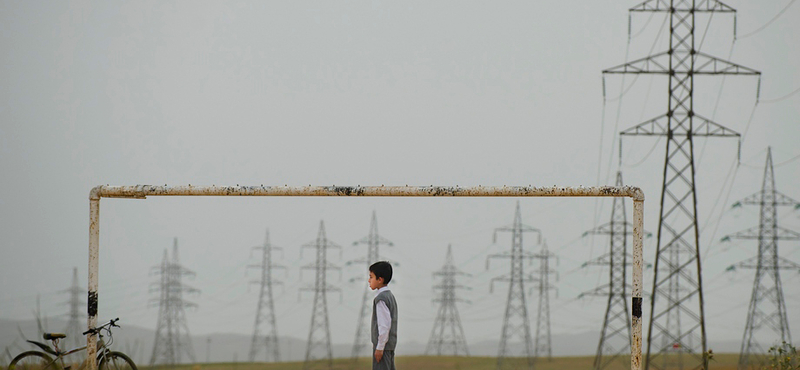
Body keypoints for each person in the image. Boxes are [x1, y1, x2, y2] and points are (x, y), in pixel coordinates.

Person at [369, 261, 398, 370]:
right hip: (389, 346)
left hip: (383, 347)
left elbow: (384, 325)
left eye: (371, 277)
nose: (369, 280)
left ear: (380, 279)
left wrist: (380, 347)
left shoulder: (381, 299)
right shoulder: (390, 296)